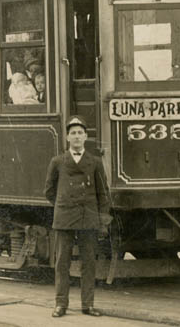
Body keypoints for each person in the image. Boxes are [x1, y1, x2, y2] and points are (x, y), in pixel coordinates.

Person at [44, 116, 111, 318]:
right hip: (64, 218)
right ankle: (60, 304)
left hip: (87, 218)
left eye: (80, 133)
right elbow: (49, 191)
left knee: (88, 263)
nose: (76, 137)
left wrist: (102, 218)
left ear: (86, 137)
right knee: (62, 263)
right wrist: (64, 204)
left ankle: (87, 305)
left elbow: (103, 193)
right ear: (67, 138)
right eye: (72, 133)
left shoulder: (95, 163)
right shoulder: (57, 162)